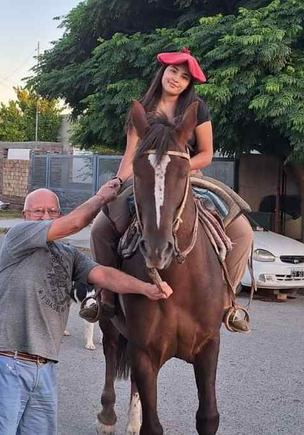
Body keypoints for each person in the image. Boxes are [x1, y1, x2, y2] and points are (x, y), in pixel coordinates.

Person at [0, 182, 173, 435]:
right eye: (37, 211)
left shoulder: (68, 254)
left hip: (44, 369)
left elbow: (105, 275)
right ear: (25, 216)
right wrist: (102, 197)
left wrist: (146, 288)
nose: (45, 217)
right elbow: (75, 223)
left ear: (58, 213)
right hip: (7, 364)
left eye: (51, 211)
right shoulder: (18, 237)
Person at [80, 48, 254, 332]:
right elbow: (131, 155)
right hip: (146, 177)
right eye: (173, 71)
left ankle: (226, 302)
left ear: (189, 84)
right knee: (101, 228)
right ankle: (105, 296)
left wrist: (178, 167)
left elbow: (207, 153)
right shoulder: (143, 109)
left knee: (243, 232)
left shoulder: (197, 108)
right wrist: (117, 182)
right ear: (163, 72)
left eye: (184, 77)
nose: (176, 79)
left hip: (187, 176)